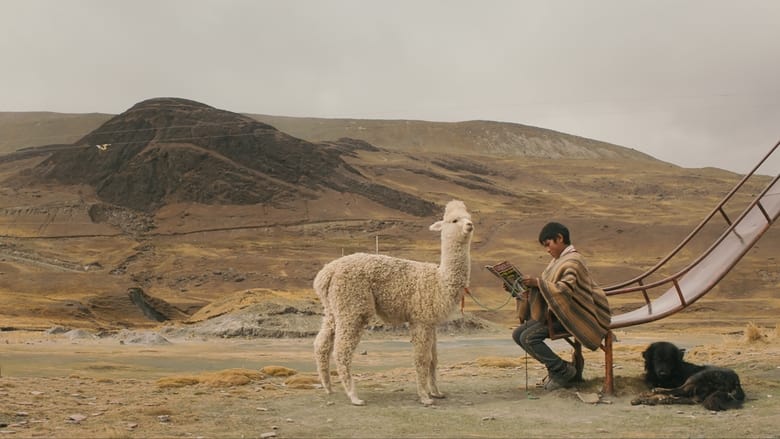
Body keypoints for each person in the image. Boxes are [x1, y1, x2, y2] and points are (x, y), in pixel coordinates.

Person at [510, 222, 611, 390]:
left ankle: (562, 371)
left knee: (528, 337)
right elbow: (547, 291)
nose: (547, 250)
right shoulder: (557, 261)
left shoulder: (573, 261)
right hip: (557, 313)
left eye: (548, 244)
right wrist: (519, 289)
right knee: (518, 334)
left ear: (559, 238)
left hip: (575, 315)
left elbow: (564, 290)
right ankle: (561, 368)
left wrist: (537, 282)